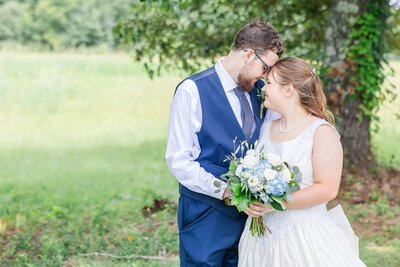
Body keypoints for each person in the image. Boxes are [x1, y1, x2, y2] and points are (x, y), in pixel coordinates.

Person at [165, 21, 284, 266]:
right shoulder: (192, 91)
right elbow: (179, 161)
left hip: (250, 219)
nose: (266, 76)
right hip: (204, 212)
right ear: (249, 54)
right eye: (265, 68)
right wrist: (227, 192)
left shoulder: (261, 90)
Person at [238, 57, 366, 266]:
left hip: (304, 236)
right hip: (260, 238)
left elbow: (327, 189)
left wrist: (274, 203)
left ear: (289, 90)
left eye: (269, 83)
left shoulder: (320, 132)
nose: (264, 88)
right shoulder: (266, 128)